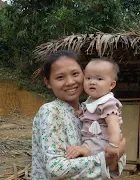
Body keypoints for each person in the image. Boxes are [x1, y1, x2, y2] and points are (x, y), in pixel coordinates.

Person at [31, 50, 126, 179]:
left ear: (83, 74)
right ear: (48, 82)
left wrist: (112, 159)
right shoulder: (50, 111)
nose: (70, 82)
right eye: (60, 77)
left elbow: (117, 158)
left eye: (75, 74)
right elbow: (55, 168)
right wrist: (104, 160)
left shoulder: (88, 110)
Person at [65, 58, 123, 172]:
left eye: (99, 79)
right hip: (91, 138)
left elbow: (113, 124)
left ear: (111, 85)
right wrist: (80, 113)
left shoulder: (108, 102)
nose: (92, 82)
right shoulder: (91, 100)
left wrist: (113, 144)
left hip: (102, 140)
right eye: (88, 78)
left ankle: (86, 150)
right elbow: (89, 112)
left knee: (93, 147)